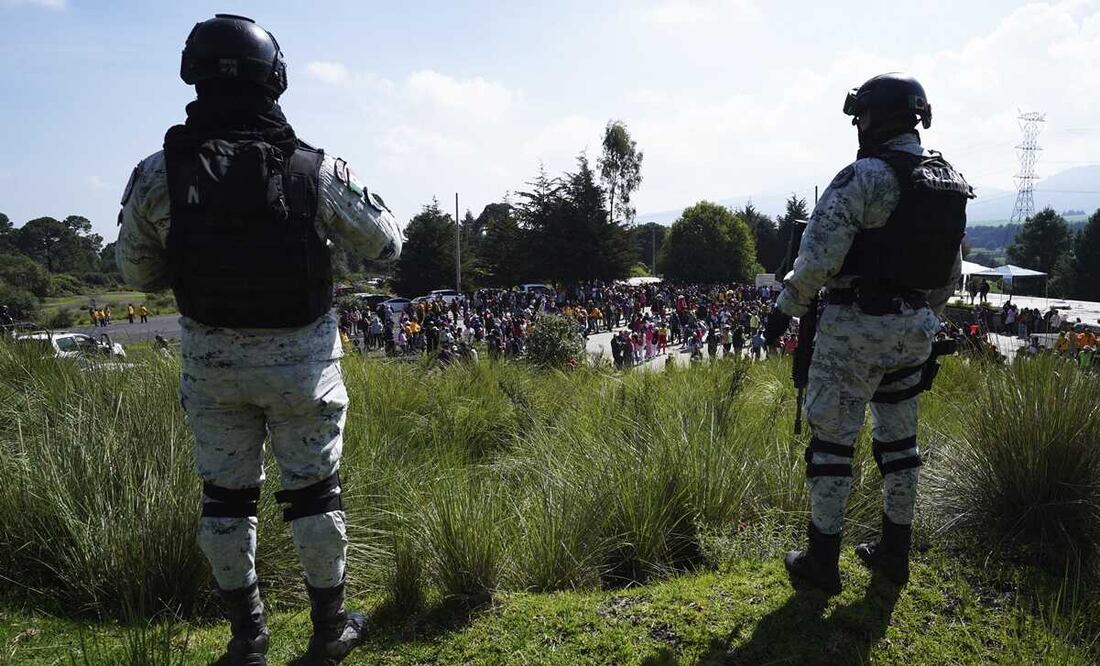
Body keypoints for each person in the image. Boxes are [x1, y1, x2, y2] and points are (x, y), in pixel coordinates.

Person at [115, 14, 402, 666]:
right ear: (276, 79)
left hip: (211, 361)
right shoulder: (316, 169)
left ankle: (247, 640)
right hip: (302, 360)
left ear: (193, 75)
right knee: (313, 495)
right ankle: (330, 629)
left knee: (225, 501)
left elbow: (135, 270)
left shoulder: (158, 173)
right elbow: (387, 240)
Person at [764, 73, 970, 595]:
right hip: (915, 330)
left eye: (862, 116)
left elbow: (819, 258)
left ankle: (821, 561)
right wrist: (917, 313)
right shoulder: (948, 182)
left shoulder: (865, 177)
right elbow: (951, 272)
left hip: (853, 331)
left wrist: (785, 308)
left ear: (875, 118)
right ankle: (894, 555)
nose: (859, 125)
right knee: (900, 445)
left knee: (832, 446)